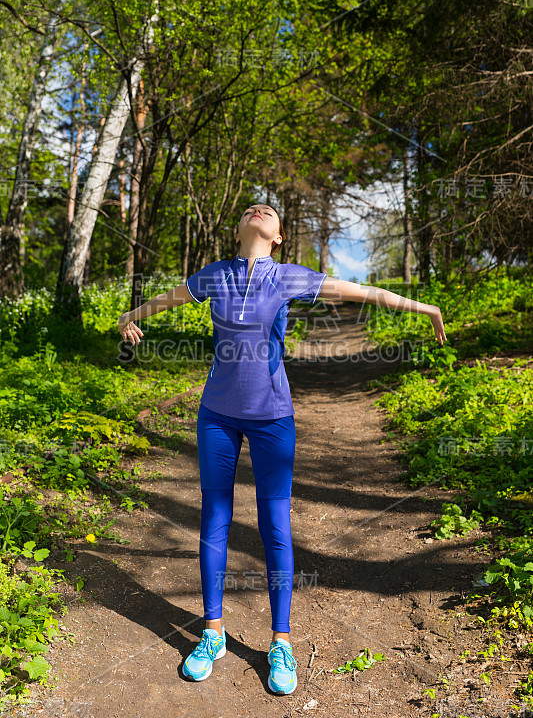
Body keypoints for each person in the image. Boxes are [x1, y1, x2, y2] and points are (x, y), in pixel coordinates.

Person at [118, 203, 447, 695]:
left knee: (275, 523)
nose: (258, 209)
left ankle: (281, 642)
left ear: (278, 237)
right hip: (217, 416)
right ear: (239, 230)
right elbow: (166, 299)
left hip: (273, 416)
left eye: (268, 211)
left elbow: (364, 292)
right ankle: (212, 633)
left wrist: (424, 307)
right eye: (251, 208)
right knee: (214, 519)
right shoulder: (216, 275)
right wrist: (131, 315)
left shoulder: (290, 277)